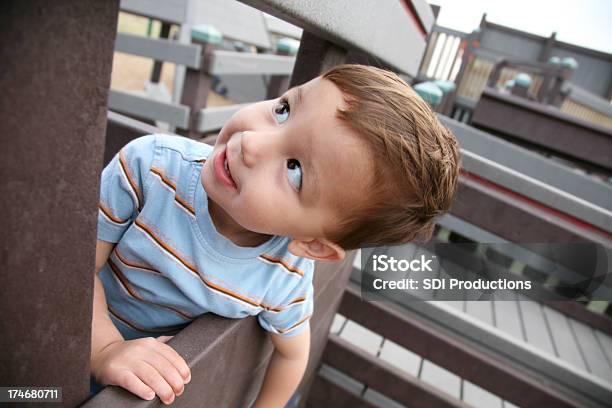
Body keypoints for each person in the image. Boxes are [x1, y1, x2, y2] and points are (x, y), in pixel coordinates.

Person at [90, 64, 460, 406]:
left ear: (313, 244)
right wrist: (105, 349)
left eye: (295, 170)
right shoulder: (151, 168)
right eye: (284, 110)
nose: (252, 143)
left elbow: (292, 353)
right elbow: (74, 268)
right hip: (70, 341)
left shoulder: (285, 272)